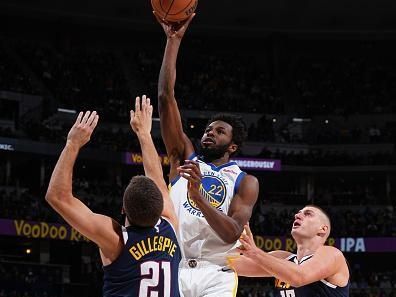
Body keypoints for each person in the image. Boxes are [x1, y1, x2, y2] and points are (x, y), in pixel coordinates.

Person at [154, 13, 259, 297]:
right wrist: (173, 41)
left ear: (232, 146)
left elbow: (231, 234)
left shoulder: (244, 181)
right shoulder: (183, 157)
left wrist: (198, 196)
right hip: (172, 264)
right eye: (208, 129)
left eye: (219, 131)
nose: (209, 133)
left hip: (217, 272)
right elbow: (165, 97)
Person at [45, 96, 181, 297]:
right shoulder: (170, 225)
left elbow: (57, 196)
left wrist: (72, 144)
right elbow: (157, 178)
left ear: (123, 209)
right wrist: (144, 133)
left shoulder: (116, 239)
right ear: (161, 206)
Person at [229, 205, 350, 297]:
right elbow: (230, 264)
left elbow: (299, 277)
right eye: (298, 213)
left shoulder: (332, 254)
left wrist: (255, 253)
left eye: (308, 214)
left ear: (322, 229)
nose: (297, 216)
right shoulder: (282, 258)